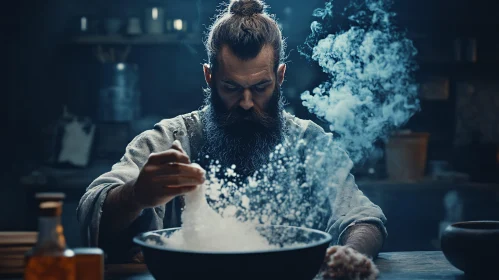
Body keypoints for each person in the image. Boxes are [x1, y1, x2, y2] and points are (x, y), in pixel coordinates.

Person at [77, 0, 387, 277]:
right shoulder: (172, 139)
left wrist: (351, 256)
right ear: (209, 77)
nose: (247, 103)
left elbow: (363, 219)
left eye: (261, 87)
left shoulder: (309, 143)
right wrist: (136, 194)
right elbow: (93, 207)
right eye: (232, 88)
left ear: (280, 76)